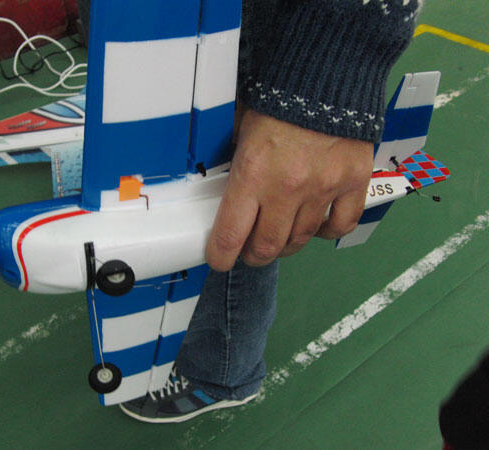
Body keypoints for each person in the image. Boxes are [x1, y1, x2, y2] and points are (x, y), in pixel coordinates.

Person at [109, 0, 424, 423]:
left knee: (236, 226)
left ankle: (222, 374)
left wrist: (325, 90)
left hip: (246, 49)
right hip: (158, 41)